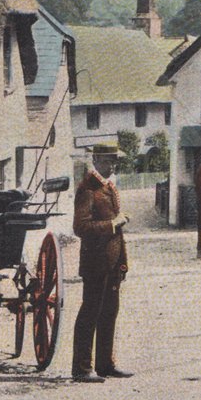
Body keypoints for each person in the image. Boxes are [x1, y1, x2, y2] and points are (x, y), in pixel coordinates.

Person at [71, 142, 132, 382]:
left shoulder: (108, 186)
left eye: (114, 161)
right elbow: (80, 227)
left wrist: (122, 261)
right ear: (95, 159)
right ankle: (81, 369)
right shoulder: (88, 188)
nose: (112, 165)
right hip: (95, 262)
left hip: (112, 263)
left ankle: (105, 364)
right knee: (90, 313)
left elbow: (118, 232)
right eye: (107, 161)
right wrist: (112, 224)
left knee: (109, 313)